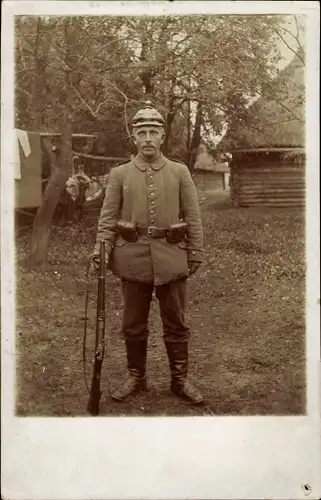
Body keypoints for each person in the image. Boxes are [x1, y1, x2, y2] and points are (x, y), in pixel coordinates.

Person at [91, 101, 204, 404]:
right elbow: (107, 218)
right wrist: (101, 250)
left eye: (154, 132)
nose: (148, 139)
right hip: (132, 258)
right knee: (133, 323)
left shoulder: (180, 172)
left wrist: (195, 252)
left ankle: (180, 380)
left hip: (172, 257)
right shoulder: (120, 174)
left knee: (176, 322)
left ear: (163, 136)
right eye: (142, 132)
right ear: (134, 137)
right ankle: (136, 377)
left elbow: (193, 216)